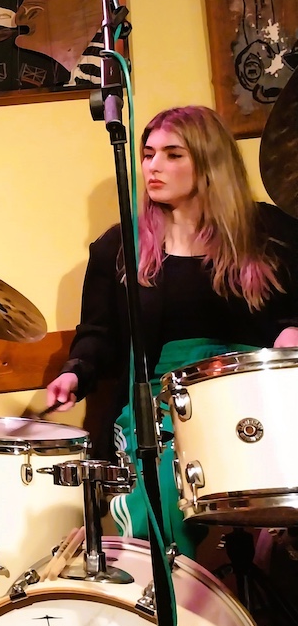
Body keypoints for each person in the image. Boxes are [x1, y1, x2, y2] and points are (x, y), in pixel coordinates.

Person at [45, 105, 298, 553]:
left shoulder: (270, 233)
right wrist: (75, 372)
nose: (153, 167)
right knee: (164, 493)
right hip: (163, 402)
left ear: (209, 162)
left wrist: (291, 330)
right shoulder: (119, 247)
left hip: (258, 396)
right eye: (148, 154)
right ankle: (163, 585)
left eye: (173, 154)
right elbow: (98, 333)